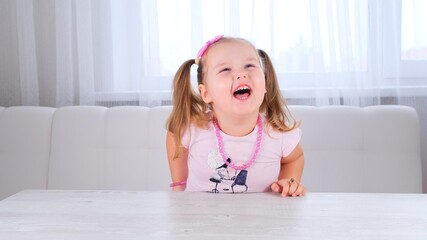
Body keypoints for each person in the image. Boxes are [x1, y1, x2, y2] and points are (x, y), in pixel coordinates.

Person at [166, 35, 306, 197]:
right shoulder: (192, 129)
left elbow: (295, 158)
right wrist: (179, 184)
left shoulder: (278, 134)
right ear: (206, 93)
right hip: (201, 218)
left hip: (259, 220)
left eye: (249, 66)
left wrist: (288, 182)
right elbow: (174, 135)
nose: (241, 74)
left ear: (265, 84)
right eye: (225, 69)